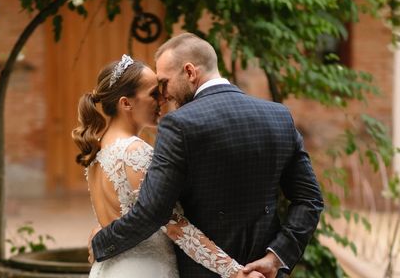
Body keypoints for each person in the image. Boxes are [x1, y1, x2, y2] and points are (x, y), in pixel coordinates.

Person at [91, 33, 324, 277]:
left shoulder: (179, 125)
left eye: (165, 83)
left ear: (190, 72)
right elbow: (310, 200)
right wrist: (275, 257)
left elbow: (153, 213)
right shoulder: (279, 116)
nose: (165, 95)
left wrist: (101, 240)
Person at [72, 55, 264, 278]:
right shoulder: (134, 152)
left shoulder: (99, 151)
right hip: (145, 270)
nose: (163, 100)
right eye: (154, 93)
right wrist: (234, 272)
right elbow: (174, 225)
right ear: (126, 103)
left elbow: (114, 220)